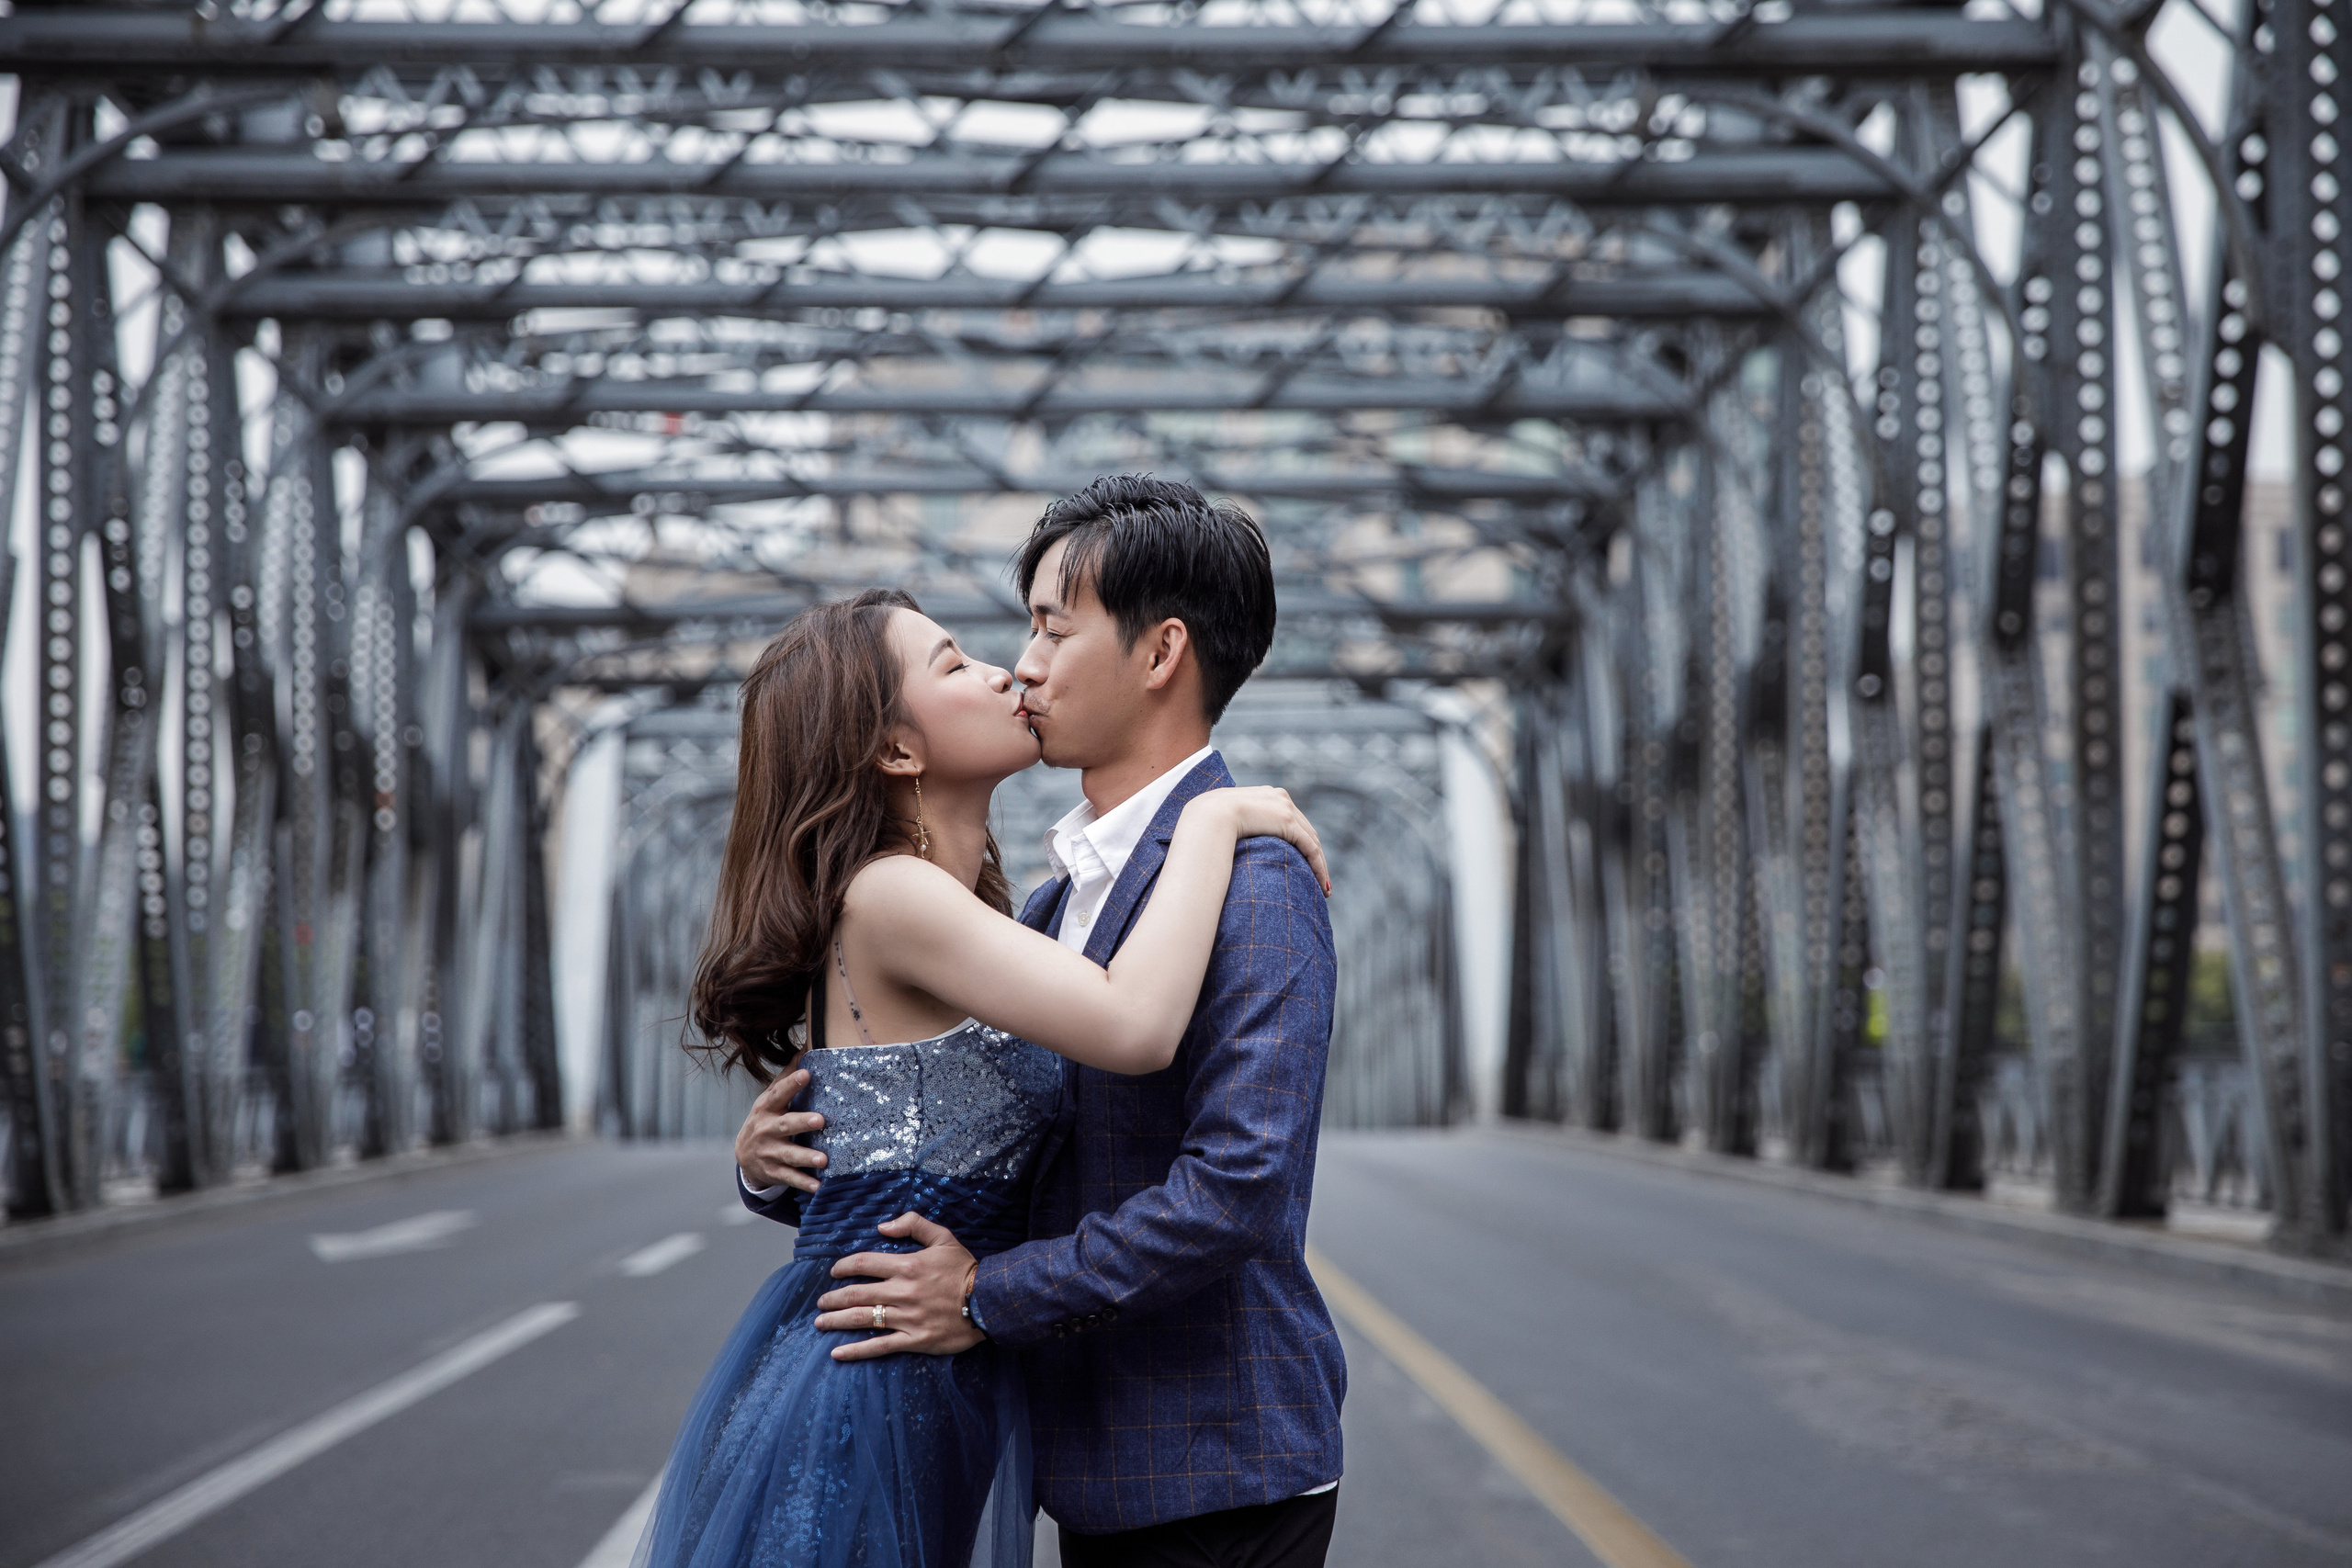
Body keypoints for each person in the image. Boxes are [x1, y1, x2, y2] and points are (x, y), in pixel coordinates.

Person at [637, 575, 1330, 1568]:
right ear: (898, 748)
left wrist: (780, 1166)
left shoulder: (1005, 919)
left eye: (1049, 631)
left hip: (939, 1376)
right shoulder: (895, 897)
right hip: (879, 1383)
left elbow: (938, 1152)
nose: (1014, 667)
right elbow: (1133, 1025)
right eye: (957, 663)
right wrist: (1213, 820)